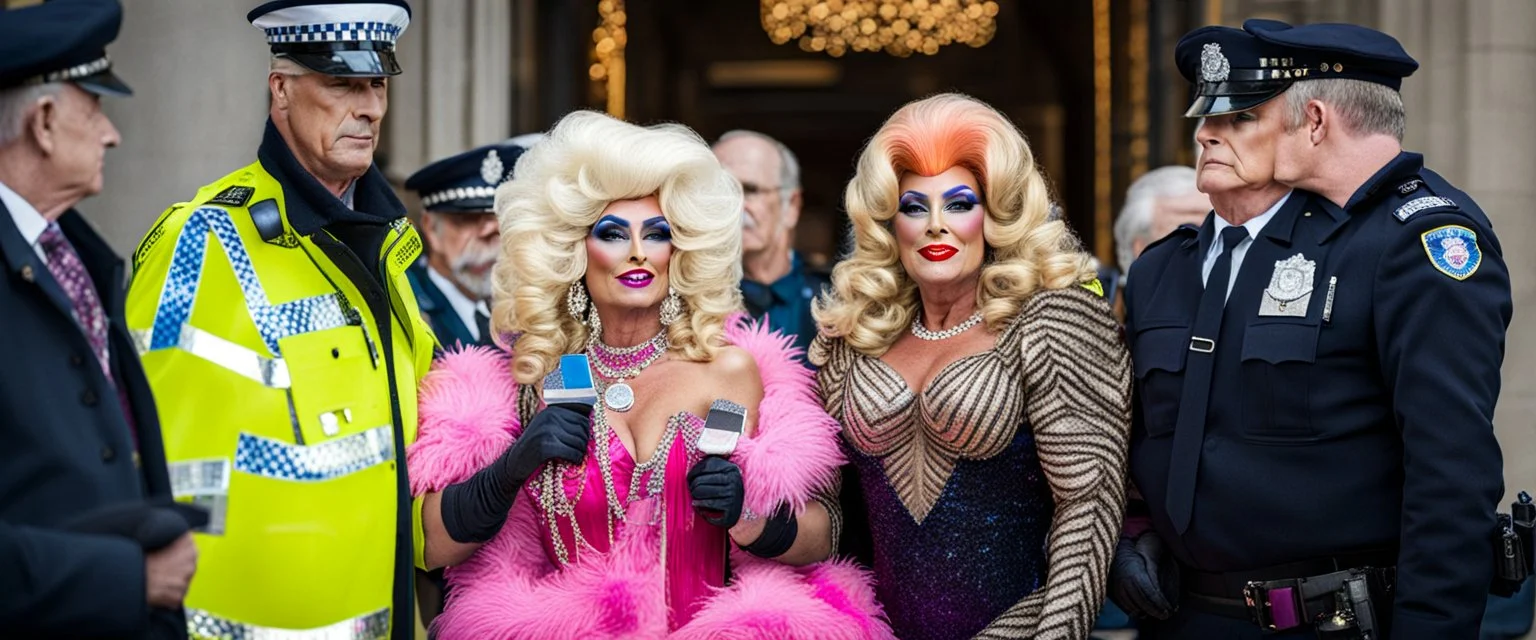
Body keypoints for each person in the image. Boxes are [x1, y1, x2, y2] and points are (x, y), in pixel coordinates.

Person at [405, 110, 891, 639]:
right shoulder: (530, 379)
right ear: (573, 249)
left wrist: (747, 516)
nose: (638, 251)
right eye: (613, 233)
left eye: (656, 234)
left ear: (679, 250)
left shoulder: (727, 370)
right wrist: (508, 469)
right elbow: (429, 544)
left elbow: (825, 533)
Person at [1116, 23, 1510, 639]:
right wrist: (1133, 531)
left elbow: (1450, 478)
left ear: (1315, 121)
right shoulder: (1161, 268)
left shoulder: (1403, 243)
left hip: (1331, 617)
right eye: (1207, 115)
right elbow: (1139, 436)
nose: (1203, 133)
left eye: (1242, 115)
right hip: (1184, 616)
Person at [125, 2, 435, 637]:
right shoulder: (203, 240)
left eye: (376, 84)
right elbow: (150, 466)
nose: (370, 107)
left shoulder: (390, 242)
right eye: (342, 83)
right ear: (282, 91)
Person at [811, 93, 1133, 639]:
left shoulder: (1054, 317)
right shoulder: (855, 333)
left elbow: (1089, 506)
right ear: (890, 222)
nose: (937, 224)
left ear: (995, 213)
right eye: (915, 207)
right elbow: (831, 511)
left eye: (959, 203)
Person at [0, 1, 200, 637]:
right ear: (47, 122)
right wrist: (127, 579)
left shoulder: (69, 252)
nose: (112, 133)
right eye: (96, 106)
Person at [711, 130, 828, 357]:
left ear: (791, 206)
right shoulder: (688, 301)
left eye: (750, 190)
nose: (734, 206)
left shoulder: (838, 295)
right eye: (720, 192)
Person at [404, 140, 528, 349]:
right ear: (431, 228)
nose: (490, 231)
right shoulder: (406, 302)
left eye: (501, 217)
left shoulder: (525, 304)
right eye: (468, 219)